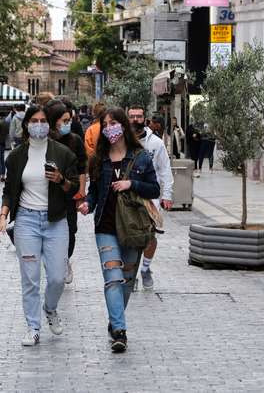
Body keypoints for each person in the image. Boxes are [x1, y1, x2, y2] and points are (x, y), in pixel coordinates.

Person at [0, 105, 79, 347]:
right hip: (27, 221)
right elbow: (9, 190)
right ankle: (33, 327)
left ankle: (50, 308)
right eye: (34, 120)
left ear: (49, 125)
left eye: (43, 121)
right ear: (27, 124)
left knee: (58, 278)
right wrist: (2, 217)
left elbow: (73, 188)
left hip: (55, 221)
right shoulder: (16, 156)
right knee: (30, 278)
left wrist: (61, 179)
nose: (39, 125)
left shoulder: (63, 153)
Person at [78, 107, 160, 353]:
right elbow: (94, 192)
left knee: (126, 281)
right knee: (113, 278)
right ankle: (120, 331)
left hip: (133, 227)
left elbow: (154, 189)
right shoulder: (98, 159)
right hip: (106, 226)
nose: (109, 128)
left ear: (123, 125)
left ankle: (115, 319)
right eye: (105, 124)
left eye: (113, 123)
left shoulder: (141, 157)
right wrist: (88, 204)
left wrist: (131, 183)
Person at [127, 105, 173, 290]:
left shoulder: (156, 143)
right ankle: (131, 272)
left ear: (144, 119)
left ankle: (145, 268)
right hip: (127, 197)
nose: (135, 120)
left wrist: (167, 195)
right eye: (132, 116)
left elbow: (165, 169)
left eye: (138, 116)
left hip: (150, 197)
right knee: (129, 236)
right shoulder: (121, 141)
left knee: (150, 236)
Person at [46, 102, 88, 284]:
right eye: (64, 120)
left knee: (71, 230)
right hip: (48, 194)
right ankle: (55, 262)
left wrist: (81, 192)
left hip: (70, 192)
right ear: (53, 121)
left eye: (69, 120)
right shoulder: (45, 140)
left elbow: (82, 167)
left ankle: (65, 259)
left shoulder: (75, 140)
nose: (67, 124)